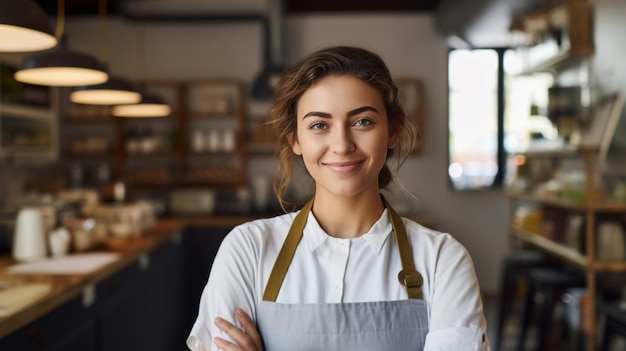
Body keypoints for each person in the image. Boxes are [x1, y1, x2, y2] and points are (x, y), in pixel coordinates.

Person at [187, 46, 490, 351]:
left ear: (393, 131)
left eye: (362, 122)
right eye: (319, 125)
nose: (342, 145)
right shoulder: (248, 250)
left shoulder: (443, 260)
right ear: (295, 140)